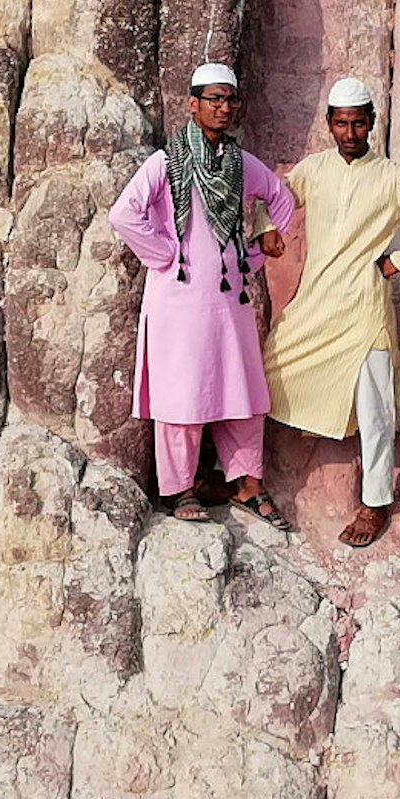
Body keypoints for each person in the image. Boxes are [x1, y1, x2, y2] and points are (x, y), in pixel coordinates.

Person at [108, 62, 298, 525]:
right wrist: (166, 254)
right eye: (214, 99)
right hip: (178, 301)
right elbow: (124, 214)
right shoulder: (166, 162)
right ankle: (179, 489)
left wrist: (260, 246)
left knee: (242, 392)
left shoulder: (239, 163)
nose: (223, 107)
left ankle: (247, 484)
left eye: (230, 99)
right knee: (182, 397)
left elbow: (280, 197)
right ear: (192, 105)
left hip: (228, 300)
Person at [264, 75, 400, 545]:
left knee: (376, 411)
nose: (350, 133)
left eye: (358, 123)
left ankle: (375, 503)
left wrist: (396, 262)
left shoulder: (391, 177)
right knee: (261, 375)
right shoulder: (314, 169)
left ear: (371, 123)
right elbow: (277, 197)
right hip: (315, 302)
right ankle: (242, 476)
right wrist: (267, 228)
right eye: (342, 124)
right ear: (330, 124)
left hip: (365, 309)